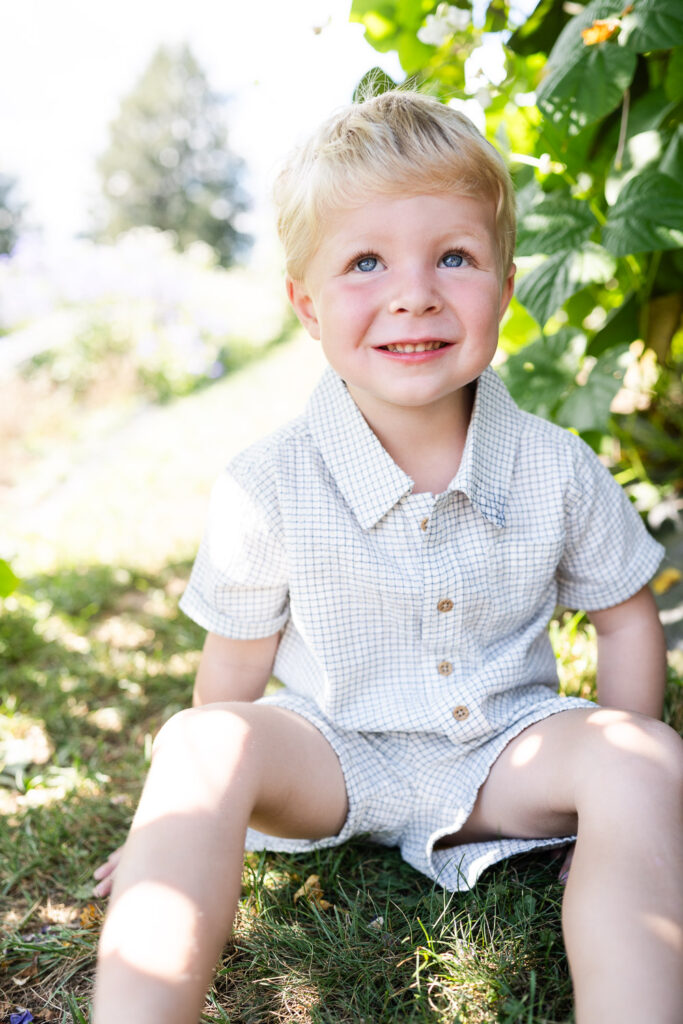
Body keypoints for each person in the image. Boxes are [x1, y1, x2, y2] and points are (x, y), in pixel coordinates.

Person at [92, 90, 683, 1024]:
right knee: (198, 746)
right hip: (330, 753)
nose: (414, 292)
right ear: (306, 305)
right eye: (365, 262)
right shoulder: (268, 481)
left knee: (644, 758)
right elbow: (234, 675)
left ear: (505, 284)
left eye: (454, 257)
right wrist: (193, 820)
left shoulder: (554, 467)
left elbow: (622, 615)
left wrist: (620, 793)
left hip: (504, 754)